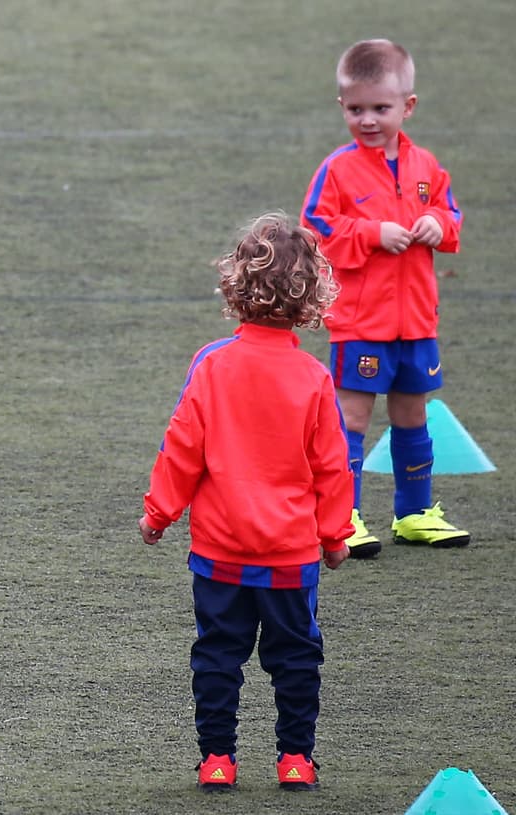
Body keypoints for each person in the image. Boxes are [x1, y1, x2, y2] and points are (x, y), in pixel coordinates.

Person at [139, 212, 353, 792]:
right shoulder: (312, 377)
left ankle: (217, 760)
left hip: (220, 552)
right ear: (312, 295)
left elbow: (182, 446)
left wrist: (159, 511)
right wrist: (335, 535)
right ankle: (295, 759)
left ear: (235, 289)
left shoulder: (213, 365)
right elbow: (331, 466)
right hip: (289, 555)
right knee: (296, 659)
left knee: (217, 656)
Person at [301, 38, 469, 559]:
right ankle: (343, 518)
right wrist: (373, 234)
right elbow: (317, 228)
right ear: (342, 108)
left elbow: (452, 216)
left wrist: (434, 223)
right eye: (356, 109)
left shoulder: (427, 165)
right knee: (351, 420)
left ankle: (414, 513)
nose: (368, 119)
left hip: (417, 322)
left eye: (380, 108)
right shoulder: (337, 169)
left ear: (407, 106)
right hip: (361, 322)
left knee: (412, 416)